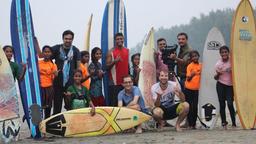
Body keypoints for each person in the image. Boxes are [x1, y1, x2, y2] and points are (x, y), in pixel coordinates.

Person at [50, 30, 81, 114]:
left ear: (72, 39)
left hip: (70, 85)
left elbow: (78, 68)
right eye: (66, 38)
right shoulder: (56, 48)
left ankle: (72, 126)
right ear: (63, 39)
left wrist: (77, 85)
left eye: (70, 39)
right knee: (57, 108)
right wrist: (53, 69)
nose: (68, 40)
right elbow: (45, 57)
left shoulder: (76, 50)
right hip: (57, 83)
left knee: (71, 107)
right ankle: (56, 126)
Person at [214, 46, 236, 129]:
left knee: (230, 104)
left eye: (225, 52)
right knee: (222, 104)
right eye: (222, 52)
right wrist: (218, 74)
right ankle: (224, 123)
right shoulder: (218, 64)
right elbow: (215, 78)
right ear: (220, 54)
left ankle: (234, 123)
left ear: (228, 52)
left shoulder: (232, 61)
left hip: (230, 86)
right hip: (220, 85)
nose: (224, 54)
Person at [106, 33, 129, 106]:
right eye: (117, 39)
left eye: (121, 39)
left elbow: (127, 65)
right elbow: (107, 67)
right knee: (115, 103)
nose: (119, 40)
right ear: (115, 40)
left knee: (126, 103)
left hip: (125, 82)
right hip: (114, 82)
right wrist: (115, 61)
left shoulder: (127, 50)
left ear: (123, 39)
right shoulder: (111, 52)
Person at [38, 45, 58, 119]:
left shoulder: (53, 65)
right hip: (39, 88)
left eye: (48, 52)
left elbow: (53, 77)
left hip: (49, 88)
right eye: (45, 52)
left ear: (51, 54)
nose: (47, 53)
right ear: (42, 53)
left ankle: (46, 123)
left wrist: (55, 75)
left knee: (47, 108)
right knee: (39, 107)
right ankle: (38, 125)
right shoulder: (38, 62)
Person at [184, 50, 202, 129]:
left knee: (195, 107)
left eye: (196, 56)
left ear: (198, 56)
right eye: (193, 56)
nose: (195, 57)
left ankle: (193, 124)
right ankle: (190, 124)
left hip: (196, 90)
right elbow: (188, 79)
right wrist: (192, 75)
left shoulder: (201, 65)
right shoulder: (189, 66)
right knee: (189, 106)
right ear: (191, 58)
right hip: (188, 89)